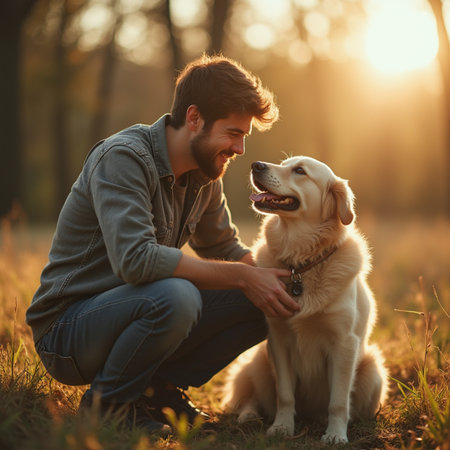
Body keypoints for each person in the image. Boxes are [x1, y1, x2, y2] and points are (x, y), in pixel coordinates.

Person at [26, 54, 300, 435]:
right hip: (69, 330)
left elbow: (226, 247)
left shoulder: (206, 173)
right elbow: (135, 262)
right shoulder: (123, 158)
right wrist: (241, 276)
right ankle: (108, 408)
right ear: (194, 118)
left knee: (266, 298)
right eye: (233, 133)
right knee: (177, 296)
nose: (240, 149)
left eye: (243, 137)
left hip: (136, 313)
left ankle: (156, 392)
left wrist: (280, 281)